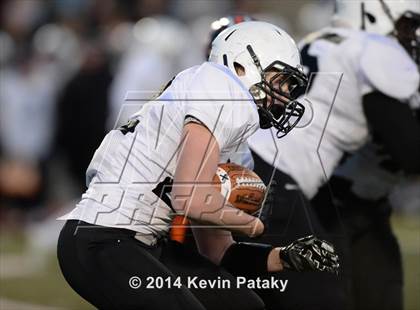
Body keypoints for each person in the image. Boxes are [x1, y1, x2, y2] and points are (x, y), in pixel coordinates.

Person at [56, 21, 338, 310]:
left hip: (144, 243)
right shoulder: (222, 88)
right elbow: (189, 198)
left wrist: (285, 256)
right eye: (279, 80)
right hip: (102, 238)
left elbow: (218, 251)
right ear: (242, 65)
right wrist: (253, 224)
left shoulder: (232, 135)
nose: (285, 95)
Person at [245, 1, 419, 309]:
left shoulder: (321, 40)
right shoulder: (377, 51)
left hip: (261, 165)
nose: (413, 35)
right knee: (320, 297)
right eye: (407, 24)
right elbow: (410, 153)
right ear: (372, 13)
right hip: (285, 182)